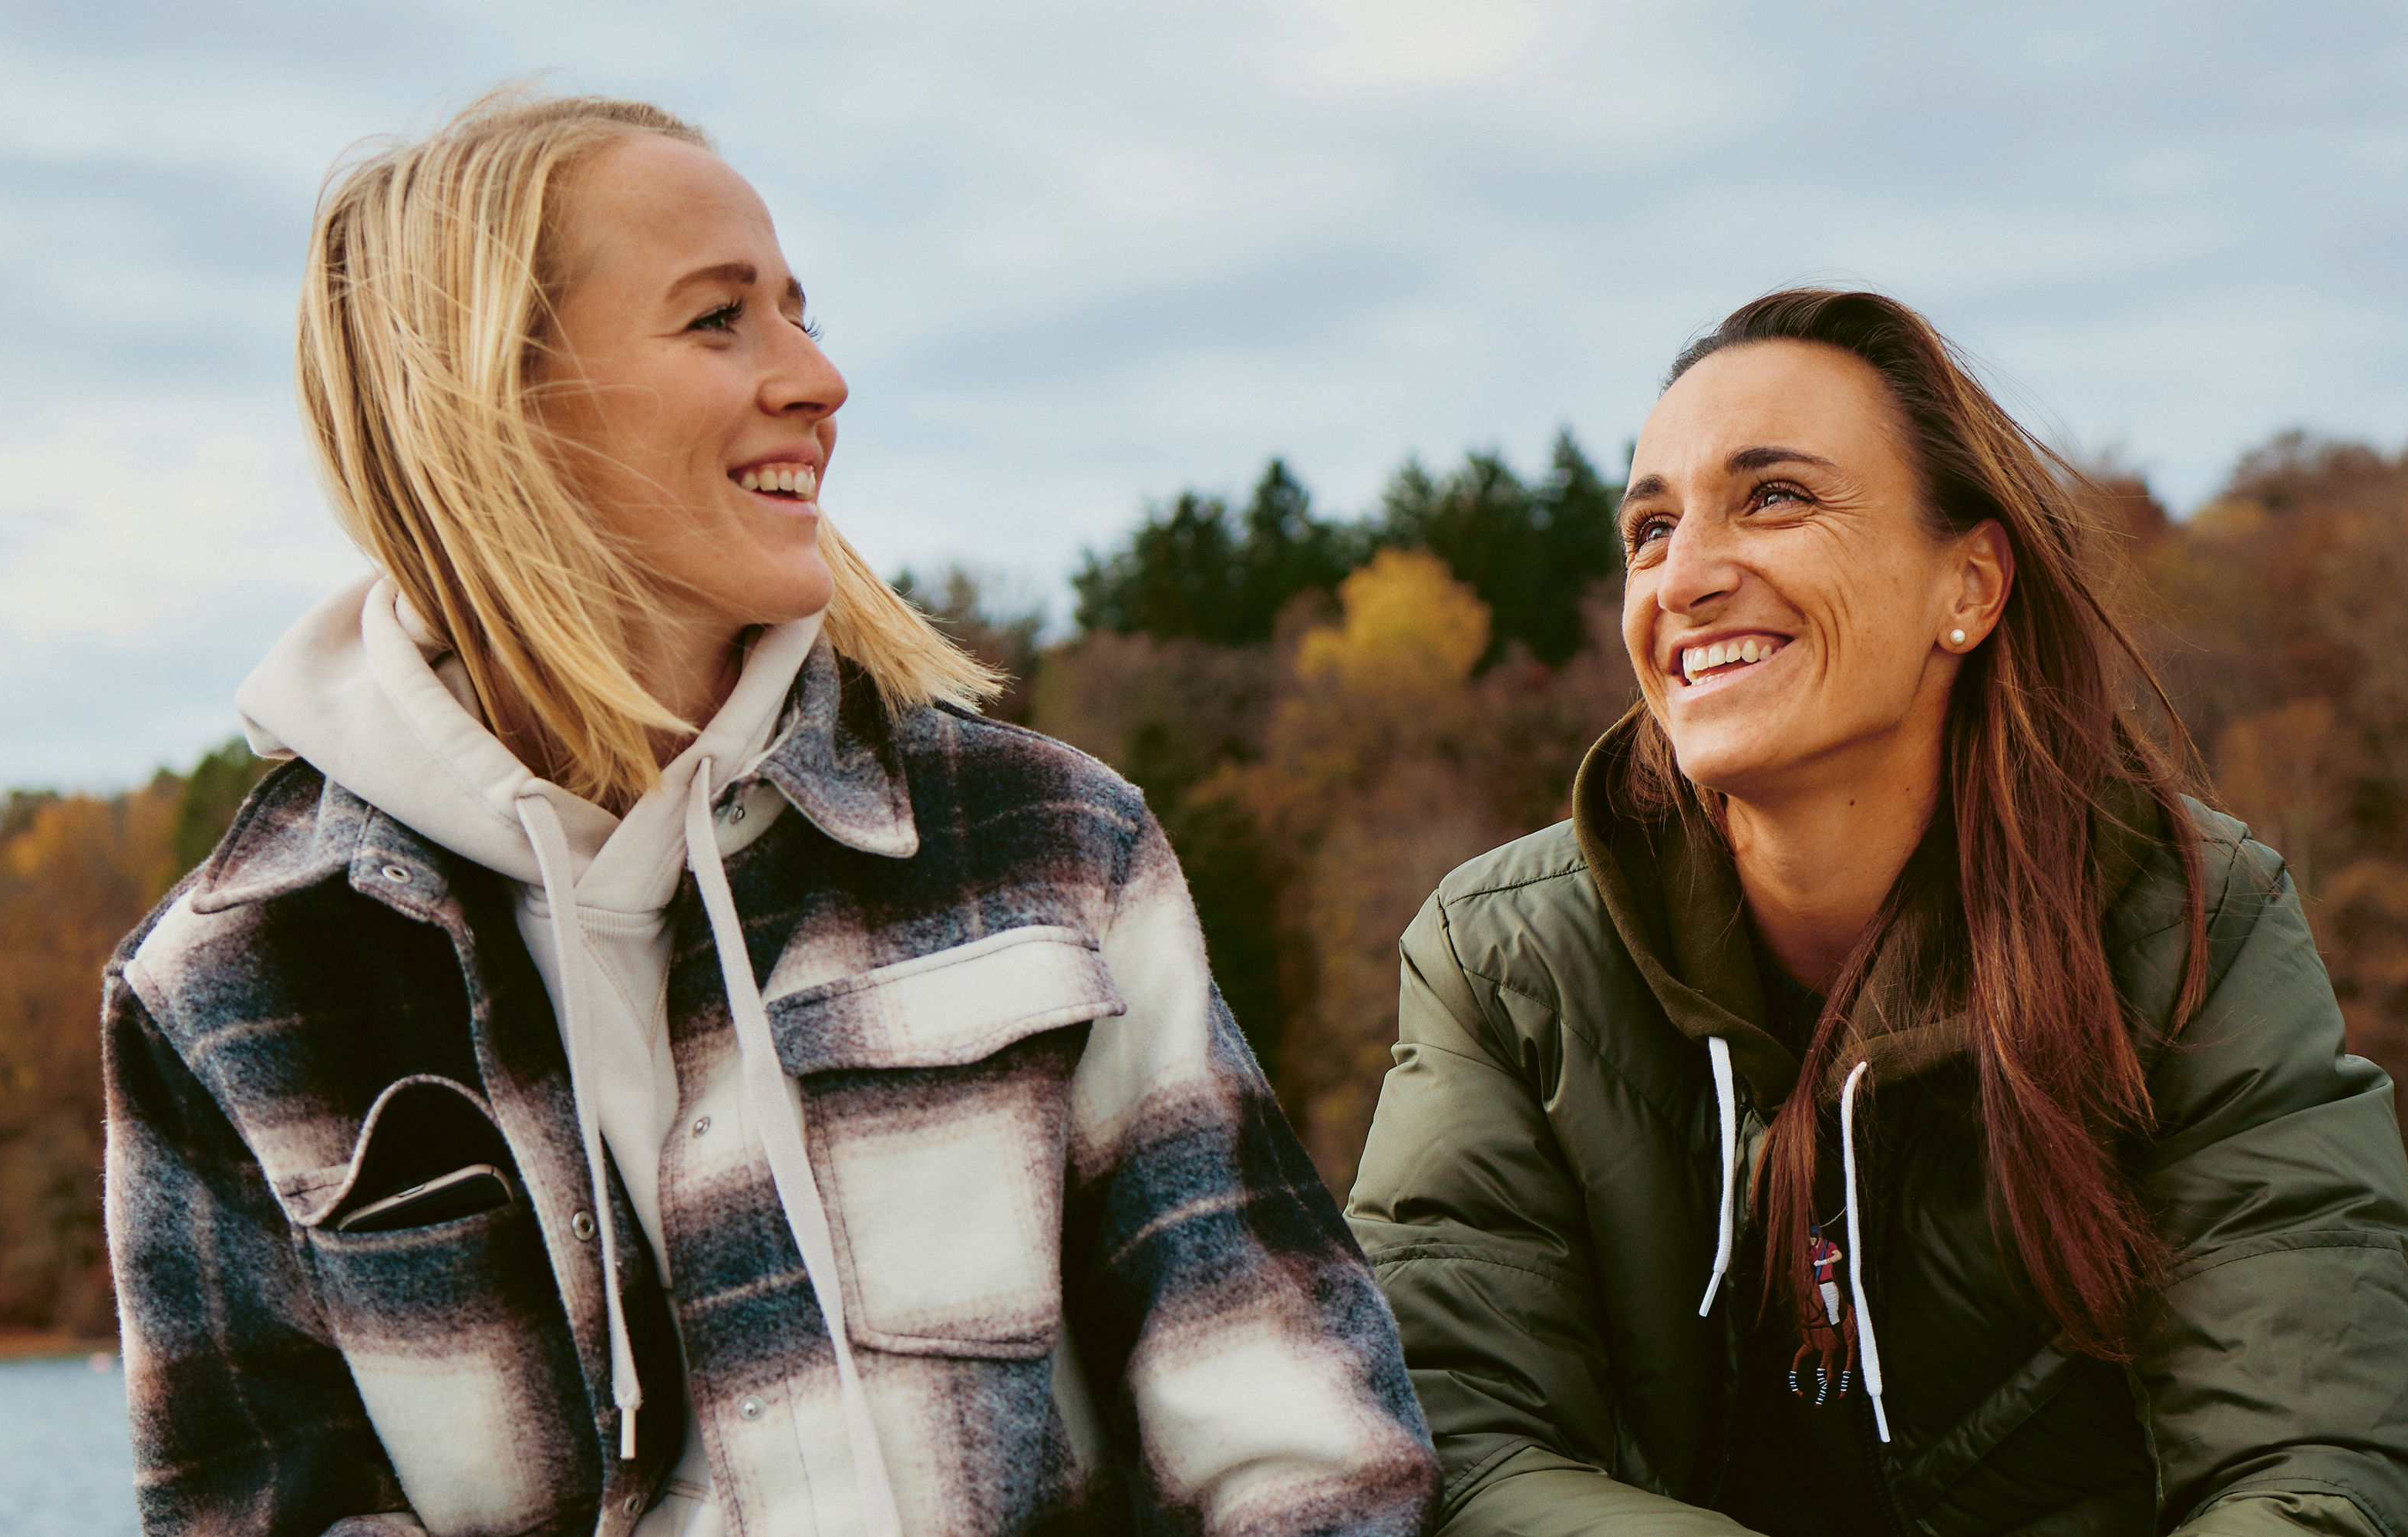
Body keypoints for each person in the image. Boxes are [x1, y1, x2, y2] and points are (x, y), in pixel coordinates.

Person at [102, 90, 1436, 1537]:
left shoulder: (1053, 844)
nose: (820, 377)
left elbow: (1298, 1440)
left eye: (801, 311)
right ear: (498, 404)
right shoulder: (226, 988)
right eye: (719, 319)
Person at [1344, 290, 2408, 1536]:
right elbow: (1447, 1441)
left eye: (1773, 497)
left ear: (1971, 585)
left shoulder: (2192, 921)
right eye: (1651, 528)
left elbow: (2338, 1473)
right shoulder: (1504, 961)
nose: (1688, 577)